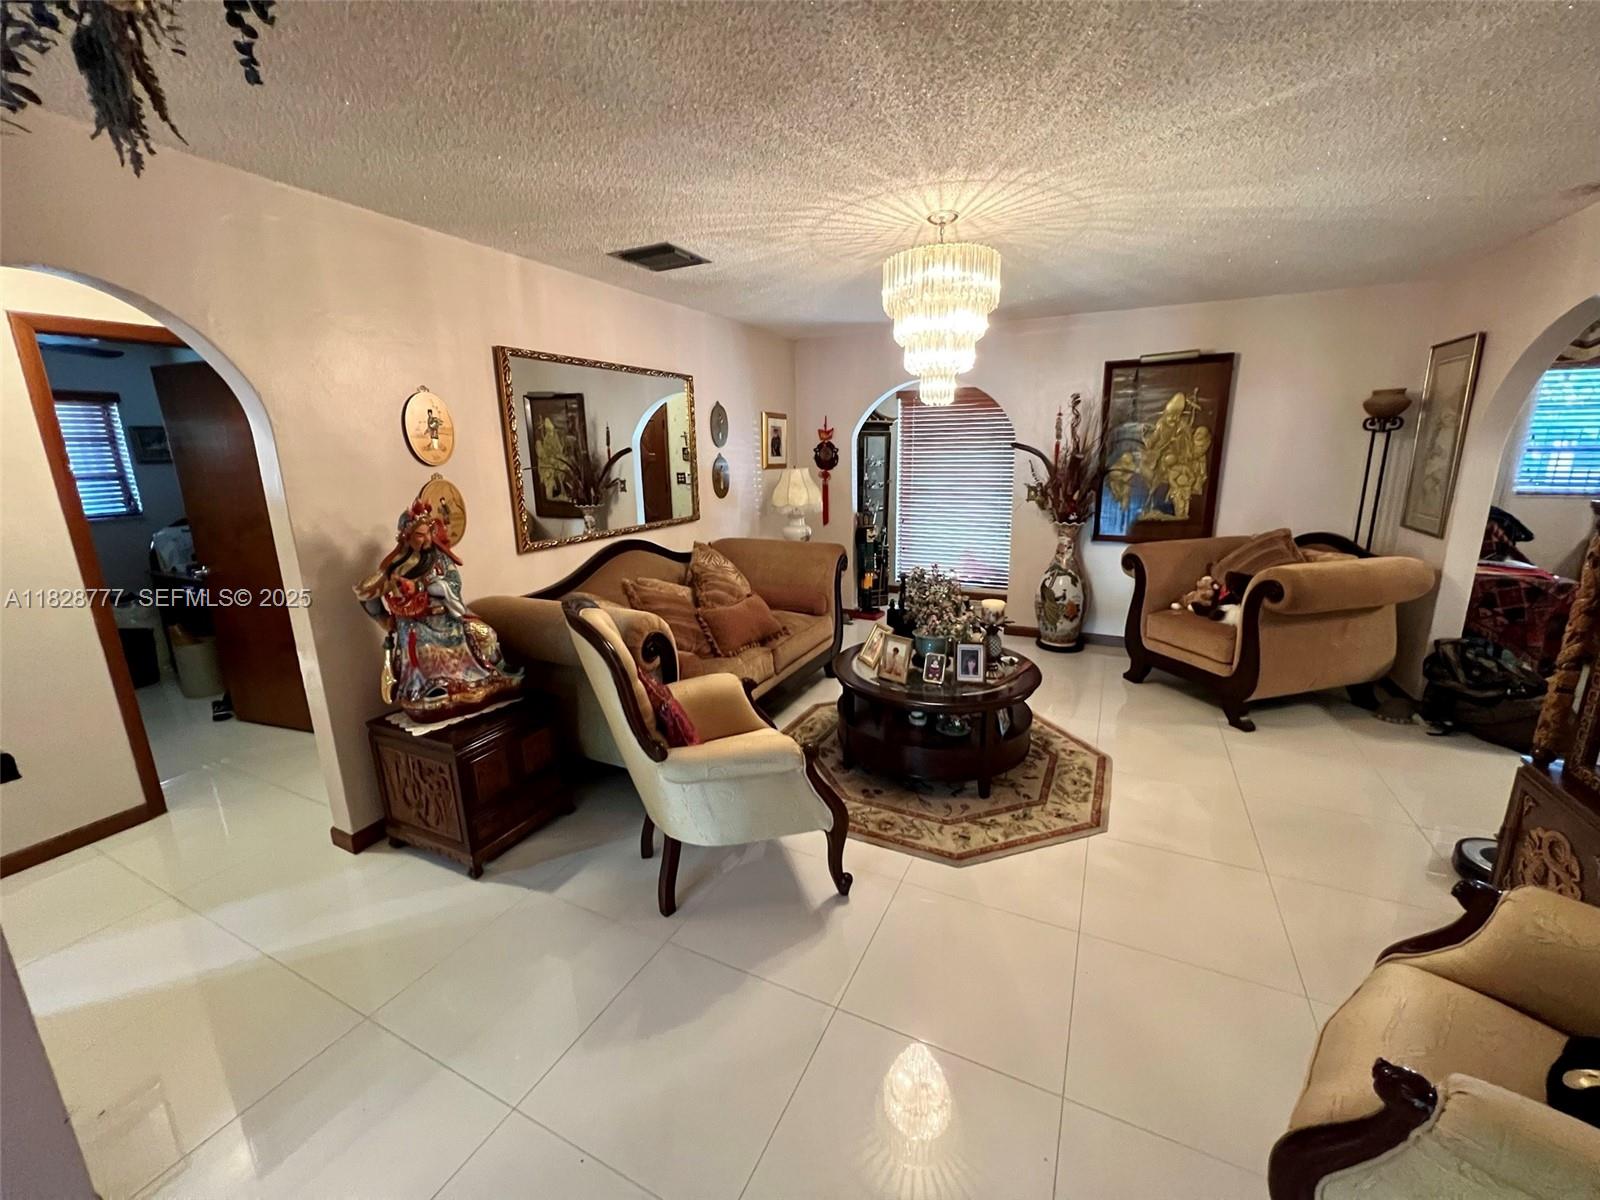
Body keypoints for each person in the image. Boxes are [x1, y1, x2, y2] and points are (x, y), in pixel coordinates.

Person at [355, 499, 522, 722]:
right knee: (424, 653)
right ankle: (433, 692)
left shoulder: (441, 558)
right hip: (418, 625)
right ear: (406, 537)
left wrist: (425, 586)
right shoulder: (395, 567)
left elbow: (453, 584)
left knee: (486, 635)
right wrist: (383, 619)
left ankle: (494, 677)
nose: (425, 540)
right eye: (419, 535)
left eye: (427, 533)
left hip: (450, 619)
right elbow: (366, 593)